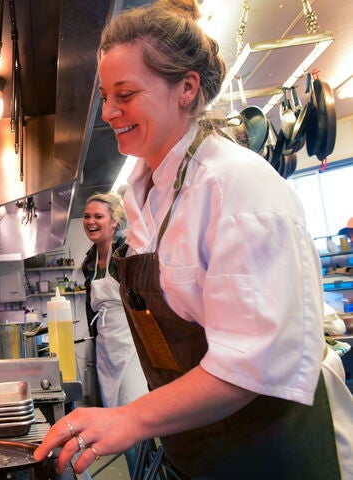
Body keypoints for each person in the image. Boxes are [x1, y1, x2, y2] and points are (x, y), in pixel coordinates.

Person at [34, 0, 353, 478]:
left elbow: (253, 364)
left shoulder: (237, 187)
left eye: (125, 93)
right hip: (203, 447)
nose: (109, 111)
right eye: (105, 95)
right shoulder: (144, 190)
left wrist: (132, 418)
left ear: (186, 88)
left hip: (274, 449)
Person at [81, 191, 148, 475]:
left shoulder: (127, 252)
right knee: (115, 421)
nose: (91, 222)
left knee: (135, 419)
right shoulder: (88, 261)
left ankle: (145, 473)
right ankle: (137, 474)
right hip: (106, 346)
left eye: (98, 216)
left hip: (132, 341)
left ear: (114, 222)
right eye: (86, 216)